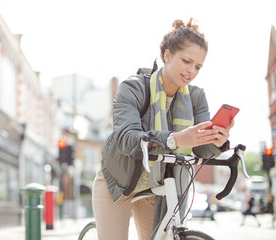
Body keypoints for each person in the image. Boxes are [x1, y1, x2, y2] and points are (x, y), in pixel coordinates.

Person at [92, 18, 233, 240]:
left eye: (198, 66)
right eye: (186, 61)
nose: (191, 71)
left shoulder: (196, 97)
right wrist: (175, 139)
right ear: (167, 55)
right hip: (118, 182)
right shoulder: (134, 87)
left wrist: (216, 141)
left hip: (157, 185)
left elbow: (200, 149)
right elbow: (127, 138)